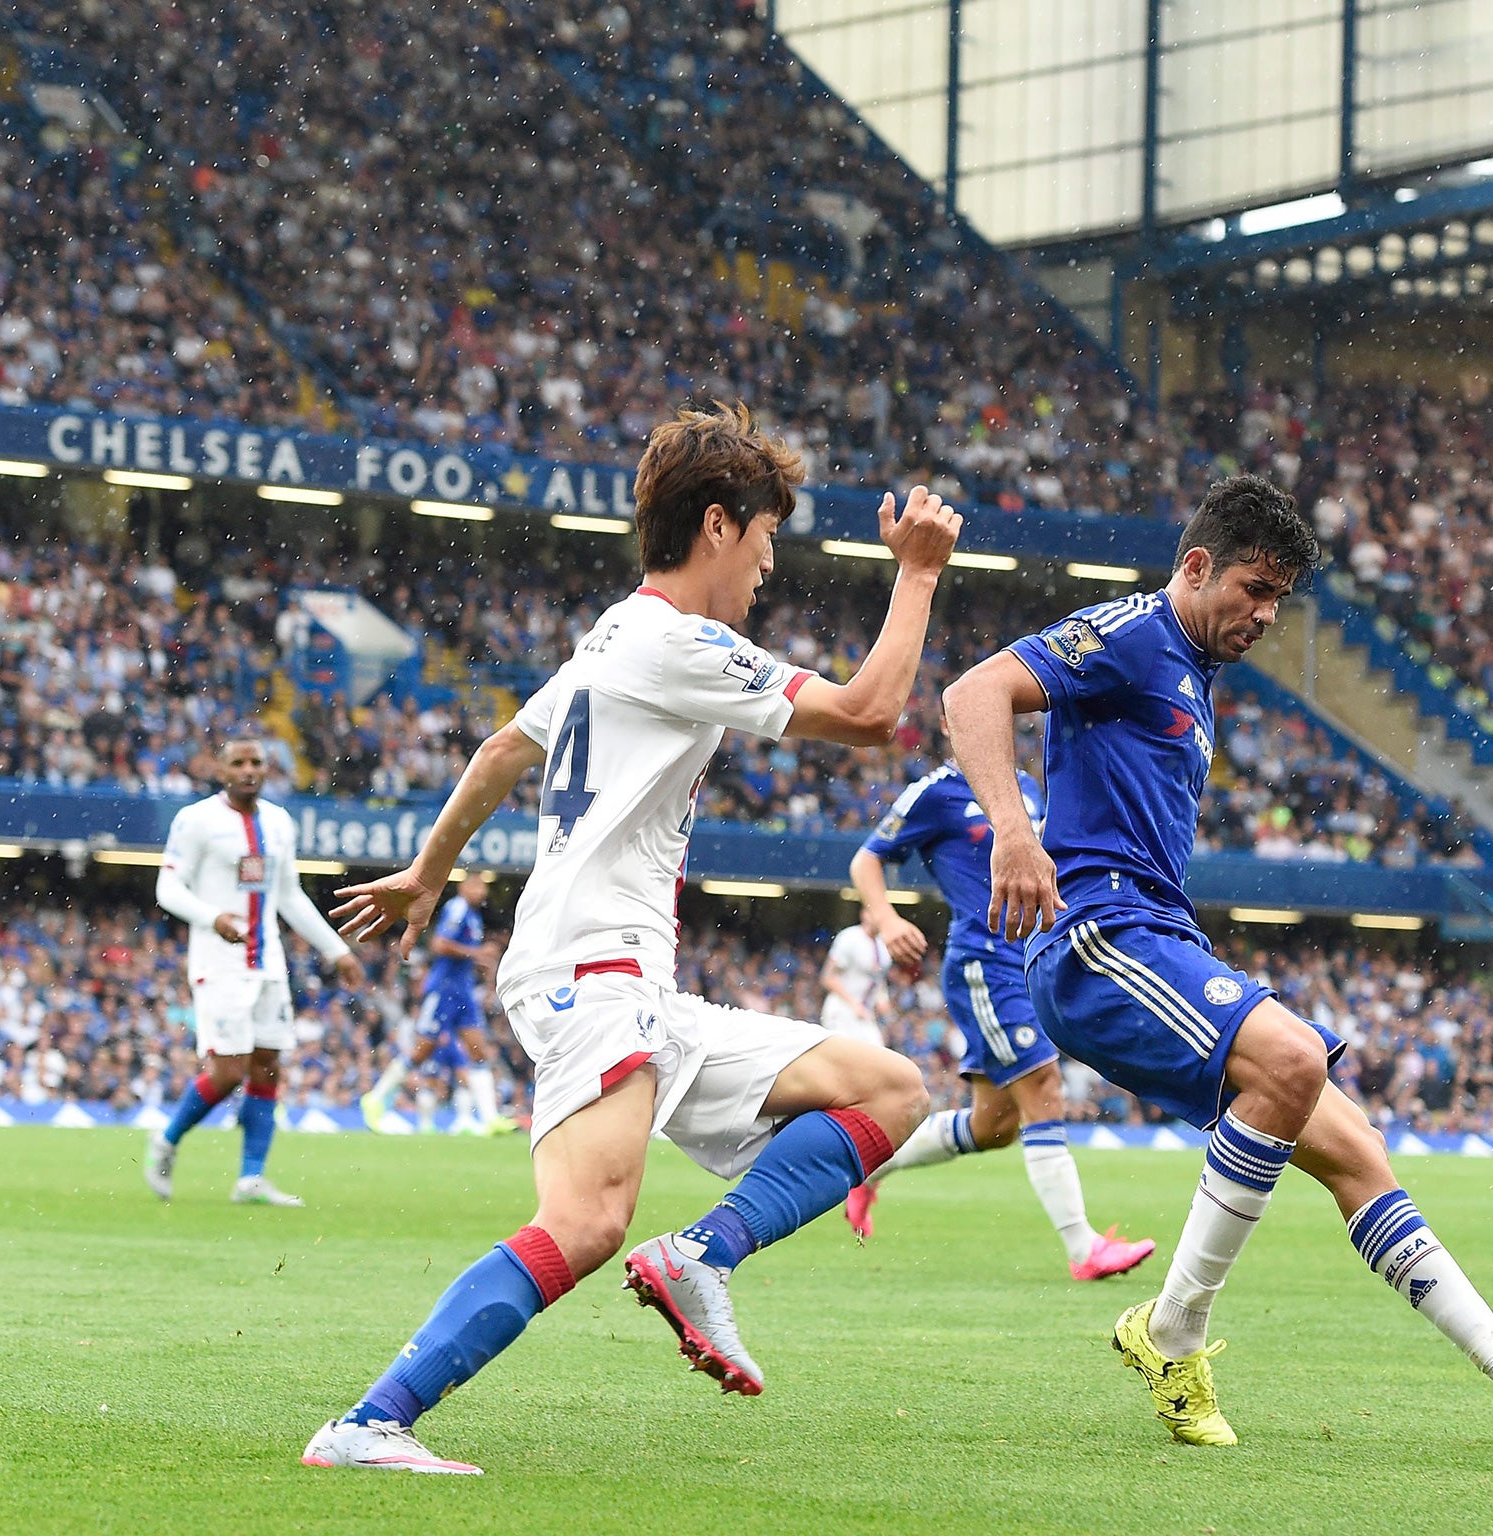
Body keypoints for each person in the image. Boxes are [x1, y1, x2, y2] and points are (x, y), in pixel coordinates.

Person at [302, 403, 961, 1475]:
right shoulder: (673, 641)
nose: (765, 567)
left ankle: (703, 1253)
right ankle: (369, 1424)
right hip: (586, 968)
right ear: (716, 525)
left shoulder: (611, 636)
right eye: (763, 540)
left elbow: (494, 754)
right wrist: (919, 572)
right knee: (587, 1219)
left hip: (631, 981)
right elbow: (870, 712)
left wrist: (428, 872)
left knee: (887, 1090)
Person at [941, 475, 1493, 1450]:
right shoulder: (1133, 635)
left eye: (1278, 599)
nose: (1265, 616)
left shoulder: (1189, 668)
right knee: (1290, 1060)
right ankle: (1171, 1329)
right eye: (1253, 590)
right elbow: (972, 690)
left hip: (1157, 939)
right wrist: (1012, 837)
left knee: (1357, 1154)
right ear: (1195, 567)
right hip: (1096, 940)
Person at [843, 759, 1156, 1282]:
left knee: (994, 1127)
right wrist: (889, 918)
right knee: (1043, 1082)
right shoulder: (936, 793)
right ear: (950, 720)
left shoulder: (1025, 788)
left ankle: (871, 1166)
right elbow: (866, 860)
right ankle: (1084, 1248)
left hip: (1030, 962)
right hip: (985, 965)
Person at [146, 733, 367, 1206]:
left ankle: (251, 1179)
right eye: (238, 762)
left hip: (267, 964)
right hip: (219, 963)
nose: (248, 770)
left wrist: (336, 951)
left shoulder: (280, 823)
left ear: (268, 770)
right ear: (221, 770)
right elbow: (168, 888)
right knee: (228, 1071)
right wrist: (213, 917)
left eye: (257, 762)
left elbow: (289, 895)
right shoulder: (197, 820)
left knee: (267, 1064)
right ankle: (166, 1139)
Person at [359, 873, 514, 1135]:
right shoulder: (458, 908)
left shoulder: (473, 916)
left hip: (461, 991)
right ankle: (374, 1099)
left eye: (483, 887)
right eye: (476, 884)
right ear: (464, 886)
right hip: (443, 990)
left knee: (478, 1051)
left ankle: (490, 1119)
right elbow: (439, 944)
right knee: (421, 1051)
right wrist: (477, 953)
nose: (481, 891)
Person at [818, 918, 892, 1046]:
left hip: (865, 1013)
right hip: (841, 1008)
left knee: (876, 1057)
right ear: (866, 915)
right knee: (843, 1056)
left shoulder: (883, 944)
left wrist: (882, 999)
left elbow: (878, 978)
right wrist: (853, 1004)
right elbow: (828, 977)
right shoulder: (850, 937)